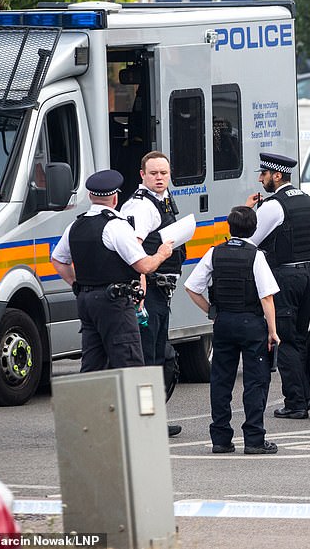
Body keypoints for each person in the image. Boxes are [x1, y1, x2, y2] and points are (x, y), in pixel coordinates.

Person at [50, 170, 174, 372]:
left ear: (90, 197)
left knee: (93, 366)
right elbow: (143, 266)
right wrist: (162, 254)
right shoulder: (116, 226)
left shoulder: (75, 225)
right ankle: (133, 405)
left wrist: (77, 284)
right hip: (114, 303)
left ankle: (95, 404)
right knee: (129, 364)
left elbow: (58, 260)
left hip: (86, 301)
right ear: (115, 198)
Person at [184, 206, 281, 455]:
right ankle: (254, 439)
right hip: (251, 323)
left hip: (224, 323)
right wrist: (273, 331)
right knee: (255, 381)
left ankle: (220, 438)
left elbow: (192, 287)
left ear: (229, 227)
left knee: (221, 381)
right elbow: (267, 298)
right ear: (254, 228)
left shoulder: (214, 253)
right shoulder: (255, 256)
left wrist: (212, 312)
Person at [245, 152, 310, 420]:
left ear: (277, 175)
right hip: (308, 276)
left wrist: (247, 211)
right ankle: (305, 396)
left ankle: (296, 403)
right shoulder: (308, 202)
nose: (261, 179)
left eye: (264, 174)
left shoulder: (272, 206)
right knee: (299, 337)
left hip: (284, 277)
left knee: (286, 339)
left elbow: (249, 240)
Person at [119, 151, 187, 437]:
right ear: (142, 175)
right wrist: (141, 291)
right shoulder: (141, 207)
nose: (160, 178)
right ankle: (144, 423)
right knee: (147, 360)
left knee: (158, 356)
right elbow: (131, 251)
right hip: (150, 291)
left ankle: (152, 419)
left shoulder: (162, 199)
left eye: (164, 173)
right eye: (154, 173)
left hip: (161, 290)